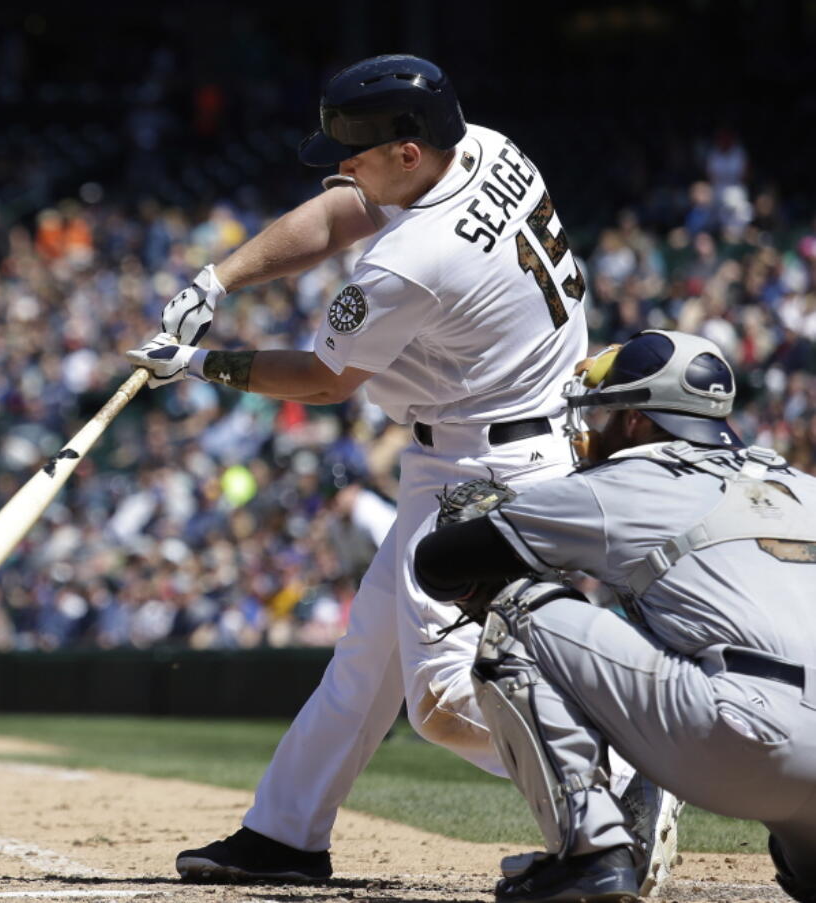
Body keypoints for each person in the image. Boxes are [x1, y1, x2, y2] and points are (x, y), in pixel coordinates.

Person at [127, 54, 676, 890]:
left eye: (356, 150)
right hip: (492, 437)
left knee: (447, 702)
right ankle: (285, 833)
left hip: (488, 466)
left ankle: (618, 782)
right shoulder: (487, 147)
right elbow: (346, 209)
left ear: (409, 151)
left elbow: (324, 378)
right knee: (365, 665)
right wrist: (219, 277)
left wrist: (201, 364)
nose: (342, 165)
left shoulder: (412, 257)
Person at [413, 329, 816, 903]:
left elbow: (437, 561)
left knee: (519, 613)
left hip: (742, 744)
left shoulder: (625, 480)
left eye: (604, 411)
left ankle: (592, 854)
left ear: (635, 422)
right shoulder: (802, 485)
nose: (591, 425)